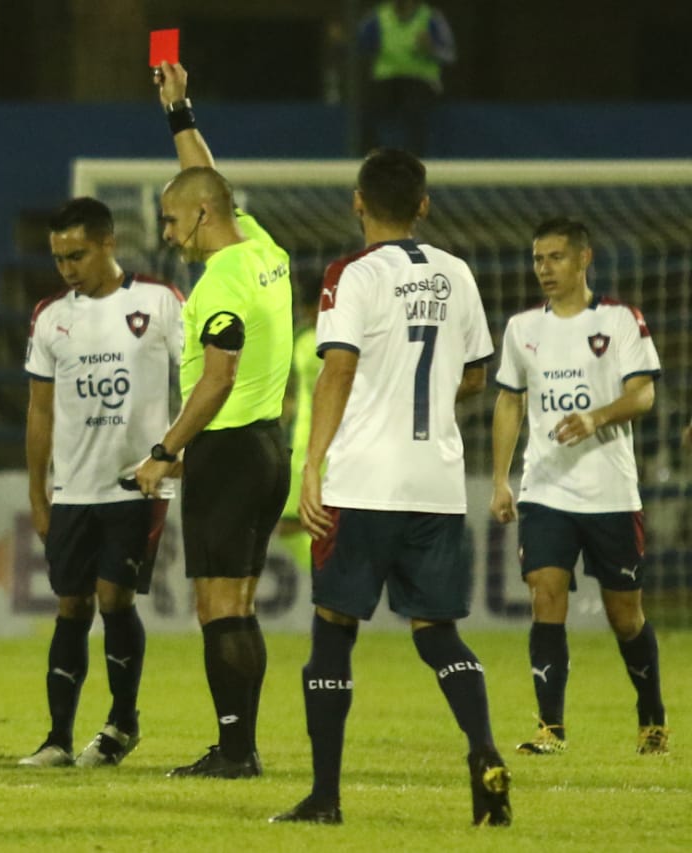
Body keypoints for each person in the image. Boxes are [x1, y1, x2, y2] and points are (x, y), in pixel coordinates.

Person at [271, 149, 510, 827]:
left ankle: (324, 796)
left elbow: (337, 369)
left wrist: (313, 465)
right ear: (424, 205)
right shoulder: (458, 273)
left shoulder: (352, 274)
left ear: (357, 201)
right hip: (435, 482)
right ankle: (485, 752)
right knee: (439, 635)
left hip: (363, 480)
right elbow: (473, 375)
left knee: (333, 633)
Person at [134, 61, 293, 779]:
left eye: (171, 219)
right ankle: (239, 745)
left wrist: (165, 449)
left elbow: (218, 379)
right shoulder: (259, 248)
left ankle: (235, 751)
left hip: (227, 451)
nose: (168, 234)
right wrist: (179, 112)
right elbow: (210, 180)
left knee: (216, 607)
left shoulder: (223, 281)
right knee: (239, 601)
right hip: (268, 447)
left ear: (200, 217)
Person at [490, 217, 667, 757]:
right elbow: (509, 400)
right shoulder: (523, 329)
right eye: (539, 259)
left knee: (625, 615)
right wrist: (500, 478)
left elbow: (643, 397)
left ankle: (652, 717)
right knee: (546, 592)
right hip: (547, 490)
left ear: (584, 259)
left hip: (611, 493)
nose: (545, 268)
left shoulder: (618, 321)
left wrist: (595, 418)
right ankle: (551, 727)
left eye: (556, 257)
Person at [18, 197, 184, 769]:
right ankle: (58, 738)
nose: (67, 268)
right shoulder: (49, 317)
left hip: (136, 485)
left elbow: (198, 381)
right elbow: (39, 412)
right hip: (74, 490)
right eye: (59, 257)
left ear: (108, 243)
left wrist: (177, 452)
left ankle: (121, 723)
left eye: (77, 255)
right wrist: (39, 493)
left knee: (114, 597)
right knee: (71, 603)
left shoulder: (160, 302)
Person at [357, 0, 456, 155]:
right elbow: (360, 45)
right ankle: (371, 159)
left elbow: (449, 55)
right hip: (386, 78)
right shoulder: (378, 17)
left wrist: (431, 48)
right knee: (369, 109)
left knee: (415, 107)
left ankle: (414, 160)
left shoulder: (432, 17)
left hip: (421, 79)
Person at [276, 285, 324, 571]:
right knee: (288, 523)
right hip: (305, 447)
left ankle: (329, 576)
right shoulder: (308, 342)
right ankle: (326, 573)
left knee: (319, 523)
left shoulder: (313, 343)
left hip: (336, 449)